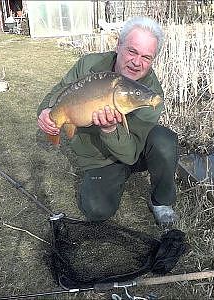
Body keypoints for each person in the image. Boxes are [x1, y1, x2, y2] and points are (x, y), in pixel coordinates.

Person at [37, 16, 179, 226]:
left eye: (146, 57)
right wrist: (47, 111)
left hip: (134, 150)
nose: (137, 62)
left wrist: (111, 129)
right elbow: (59, 91)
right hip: (99, 156)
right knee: (96, 211)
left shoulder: (151, 94)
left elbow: (130, 154)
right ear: (118, 45)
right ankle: (115, 175)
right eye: (132, 51)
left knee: (164, 141)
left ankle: (162, 202)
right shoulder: (89, 65)